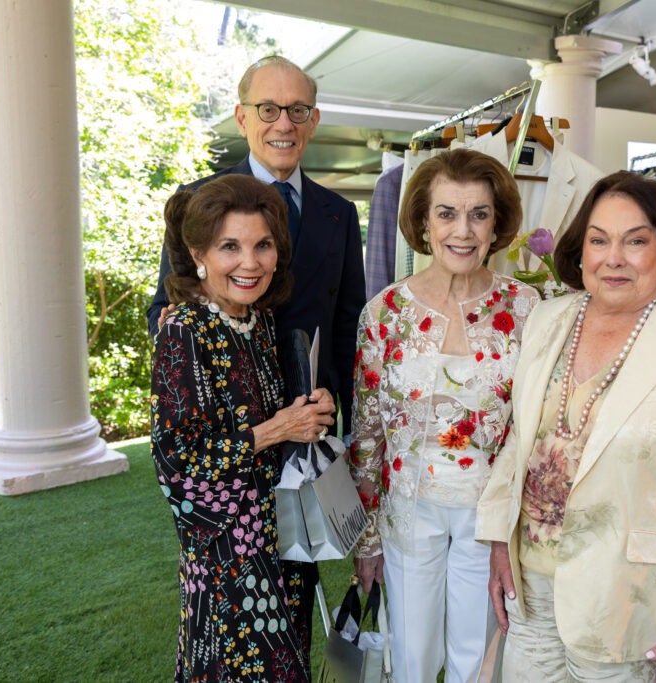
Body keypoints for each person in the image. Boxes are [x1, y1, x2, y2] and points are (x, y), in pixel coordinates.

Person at [477, 171, 656, 683]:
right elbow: (522, 439)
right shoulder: (547, 319)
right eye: (599, 240)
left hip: (634, 601)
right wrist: (500, 539)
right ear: (580, 251)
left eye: (636, 241)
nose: (614, 258)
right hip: (531, 591)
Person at [146, 55, 366, 658]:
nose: (283, 123)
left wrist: (335, 412)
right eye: (268, 108)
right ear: (243, 117)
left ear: (313, 120)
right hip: (227, 445)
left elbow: (346, 326)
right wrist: (186, 337)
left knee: (294, 599)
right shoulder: (198, 205)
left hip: (301, 440)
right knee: (243, 629)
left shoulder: (340, 213)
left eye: (297, 110)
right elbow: (164, 308)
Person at [349, 148, 540, 682]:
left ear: (496, 222)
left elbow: (535, 427)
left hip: (491, 520)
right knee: (410, 658)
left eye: (479, 213)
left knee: (476, 660)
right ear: (423, 222)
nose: (464, 230)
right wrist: (366, 540)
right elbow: (366, 435)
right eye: (447, 213)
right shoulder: (384, 313)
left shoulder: (527, 310)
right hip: (408, 515)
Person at [151, 174, 336, 682]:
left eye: (263, 245)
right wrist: (277, 429)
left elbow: (271, 419)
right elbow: (177, 463)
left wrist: (311, 408)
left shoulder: (257, 320)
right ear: (197, 253)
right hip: (228, 557)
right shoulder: (183, 331)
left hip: (281, 538)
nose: (250, 262)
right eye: (230, 246)